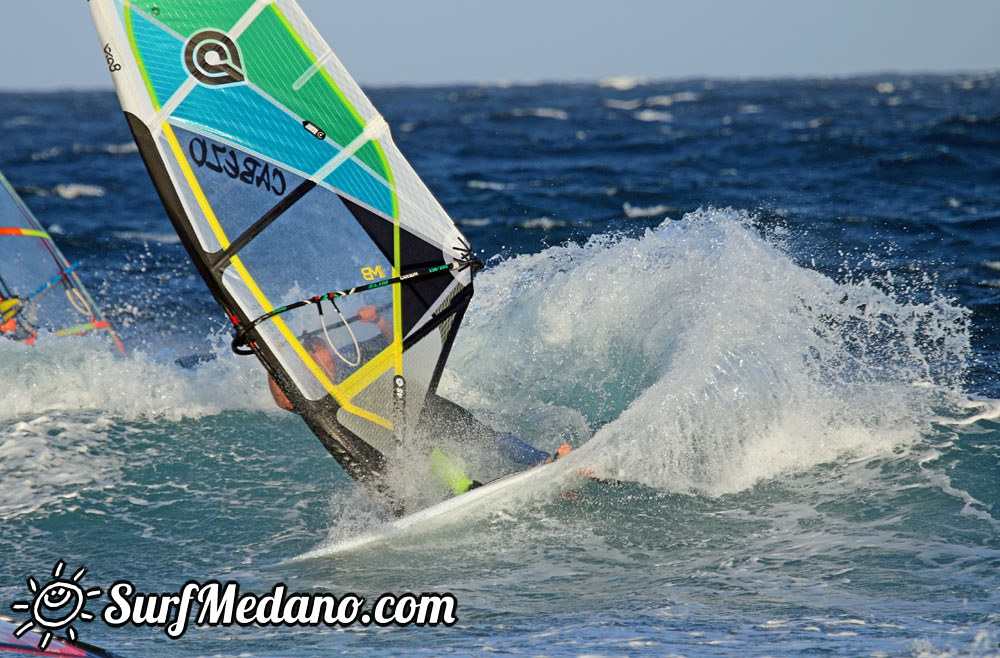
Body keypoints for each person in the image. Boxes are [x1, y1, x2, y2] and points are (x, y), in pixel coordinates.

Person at [267, 303, 571, 494]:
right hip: (377, 434)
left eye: (327, 358)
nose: (328, 365)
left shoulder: (350, 357)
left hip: (410, 402)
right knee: (423, 450)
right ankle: (467, 489)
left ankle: (542, 459)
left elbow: (395, 342)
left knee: (480, 433)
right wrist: (274, 360)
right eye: (321, 363)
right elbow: (284, 402)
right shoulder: (305, 390)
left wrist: (377, 321)